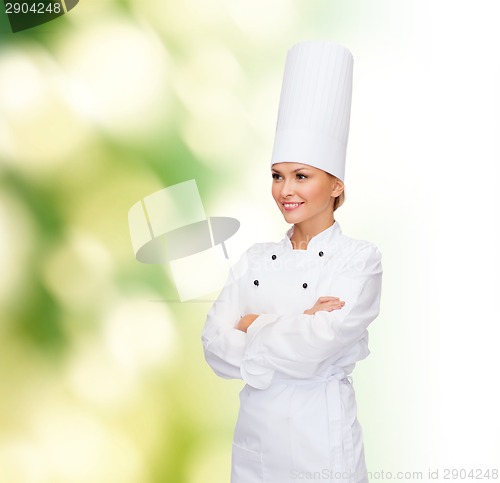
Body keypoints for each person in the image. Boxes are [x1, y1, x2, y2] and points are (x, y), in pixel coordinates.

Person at [201, 40, 383, 483]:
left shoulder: (360, 260)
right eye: (278, 176)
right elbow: (213, 347)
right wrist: (300, 318)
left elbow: (321, 343)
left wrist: (250, 324)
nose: (286, 190)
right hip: (257, 445)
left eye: (302, 176)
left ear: (336, 185)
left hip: (322, 440)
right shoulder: (255, 259)